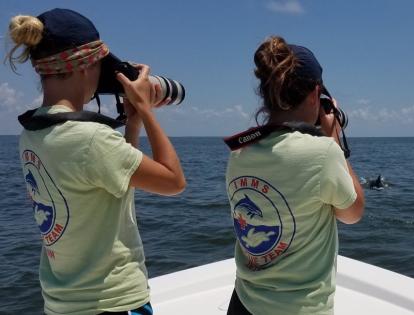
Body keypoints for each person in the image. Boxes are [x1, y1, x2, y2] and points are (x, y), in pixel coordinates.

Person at [6, 8, 185, 315]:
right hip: (112, 302)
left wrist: (133, 125)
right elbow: (173, 181)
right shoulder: (91, 138)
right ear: (87, 66)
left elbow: (114, 179)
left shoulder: (33, 132)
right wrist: (146, 108)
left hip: (64, 302)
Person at [224, 36, 365, 315]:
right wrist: (334, 139)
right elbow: (353, 213)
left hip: (244, 301)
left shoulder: (239, 151)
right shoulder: (323, 153)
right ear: (315, 94)